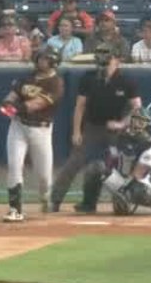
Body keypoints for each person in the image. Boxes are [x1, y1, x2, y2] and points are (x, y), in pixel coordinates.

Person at [49, 42, 141, 214]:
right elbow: (80, 106)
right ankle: (55, 200)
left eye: (108, 57)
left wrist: (122, 123)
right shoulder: (88, 77)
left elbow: (137, 108)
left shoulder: (126, 80)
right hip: (92, 127)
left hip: (116, 130)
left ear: (117, 60)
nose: (104, 61)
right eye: (101, 57)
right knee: (74, 162)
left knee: (118, 167)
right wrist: (76, 131)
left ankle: (122, 202)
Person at [0, 50, 63, 222]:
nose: (39, 61)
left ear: (53, 63)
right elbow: (12, 95)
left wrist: (16, 108)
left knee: (44, 177)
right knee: (14, 166)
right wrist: (7, 103)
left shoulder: (56, 83)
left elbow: (38, 103)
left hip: (41, 130)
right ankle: (15, 209)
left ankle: (45, 196)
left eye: (44, 59)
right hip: (18, 127)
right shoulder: (27, 77)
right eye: (40, 58)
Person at [79, 110, 151, 215]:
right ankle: (88, 205)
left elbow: (139, 174)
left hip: (139, 184)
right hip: (121, 181)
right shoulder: (120, 139)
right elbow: (110, 164)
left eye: (140, 123)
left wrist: (123, 193)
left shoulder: (150, 145)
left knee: (137, 190)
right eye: (135, 121)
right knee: (95, 168)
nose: (136, 126)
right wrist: (113, 185)